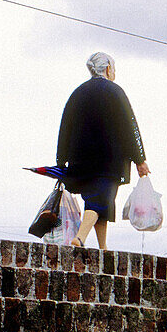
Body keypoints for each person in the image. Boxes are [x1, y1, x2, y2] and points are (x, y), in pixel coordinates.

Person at [57, 52, 150, 249]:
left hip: (80, 161)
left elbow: (65, 127)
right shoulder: (115, 91)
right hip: (109, 161)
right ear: (108, 68)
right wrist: (139, 159)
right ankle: (80, 237)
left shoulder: (77, 93)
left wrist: (61, 160)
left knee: (98, 201)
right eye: (113, 68)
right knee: (100, 200)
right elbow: (130, 126)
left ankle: (103, 247)